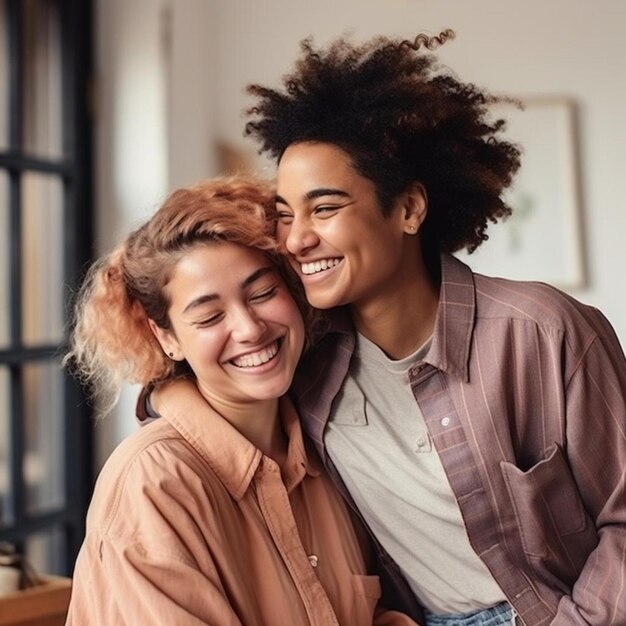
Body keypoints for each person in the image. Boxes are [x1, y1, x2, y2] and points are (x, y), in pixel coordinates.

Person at [239, 31, 626, 625]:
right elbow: (210, 384)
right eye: (286, 215)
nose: (296, 239)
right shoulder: (303, 356)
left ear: (409, 210)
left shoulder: (545, 333)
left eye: (325, 208)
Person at [64, 176, 417, 625]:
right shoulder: (153, 482)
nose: (250, 329)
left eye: (264, 293)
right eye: (210, 315)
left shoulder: (324, 453)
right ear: (167, 337)